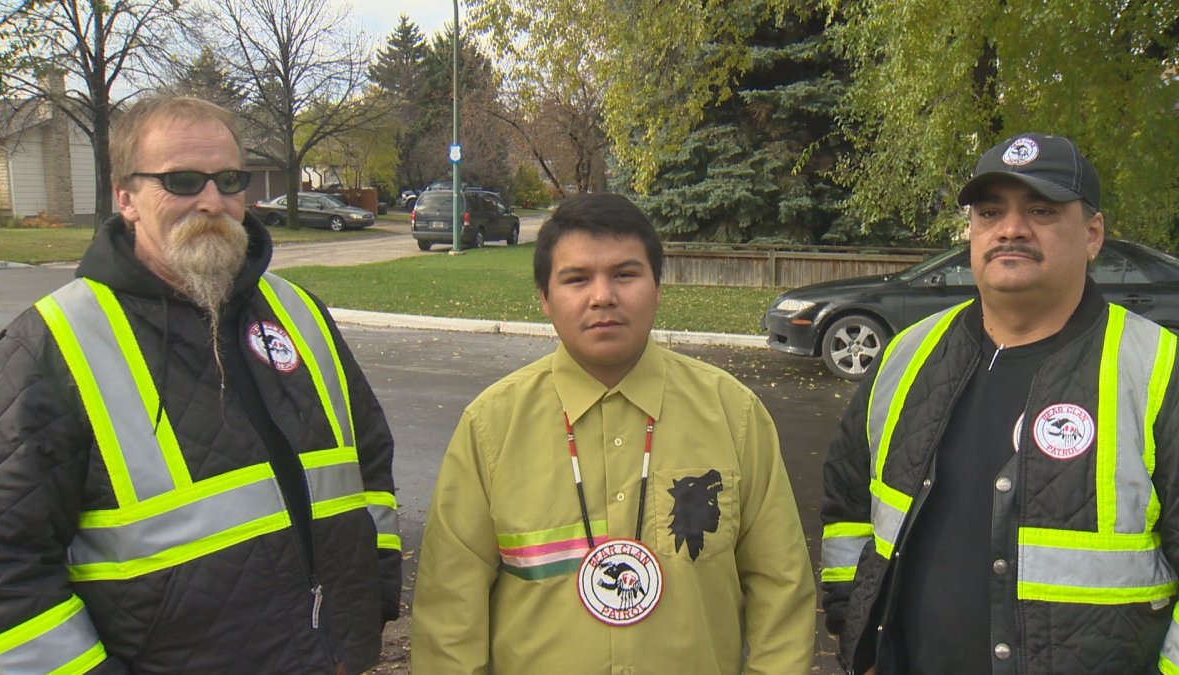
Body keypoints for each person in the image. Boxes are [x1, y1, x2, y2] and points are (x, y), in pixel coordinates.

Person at [0, 96, 401, 674]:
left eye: (229, 179)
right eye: (181, 180)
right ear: (125, 196)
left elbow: (368, 462)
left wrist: (370, 590)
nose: (212, 200)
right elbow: (0, 563)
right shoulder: (54, 342)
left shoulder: (296, 312)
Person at [410, 192, 815, 673]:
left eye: (625, 274)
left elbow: (781, 586)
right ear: (544, 298)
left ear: (658, 287)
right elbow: (449, 611)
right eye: (576, 279)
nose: (602, 296)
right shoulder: (491, 426)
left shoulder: (734, 415)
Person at [820, 132, 1179, 674]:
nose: (1011, 229)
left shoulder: (1158, 370)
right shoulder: (908, 354)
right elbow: (849, 507)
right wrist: (858, 637)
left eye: (1041, 210)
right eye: (991, 212)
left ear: (1092, 234)